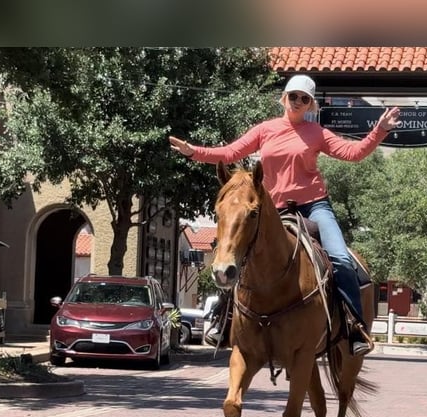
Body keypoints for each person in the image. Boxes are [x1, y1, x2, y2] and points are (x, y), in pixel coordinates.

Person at [169, 74, 401, 356]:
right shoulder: (265, 130)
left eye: (305, 99)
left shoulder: (317, 133)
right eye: (294, 96)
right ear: (284, 98)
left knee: (340, 257)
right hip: (273, 210)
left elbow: (353, 153)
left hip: (314, 206)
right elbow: (230, 153)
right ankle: (224, 319)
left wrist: (379, 130)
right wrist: (194, 152)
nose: (298, 102)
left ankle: (353, 327)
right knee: (233, 254)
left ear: (311, 105)